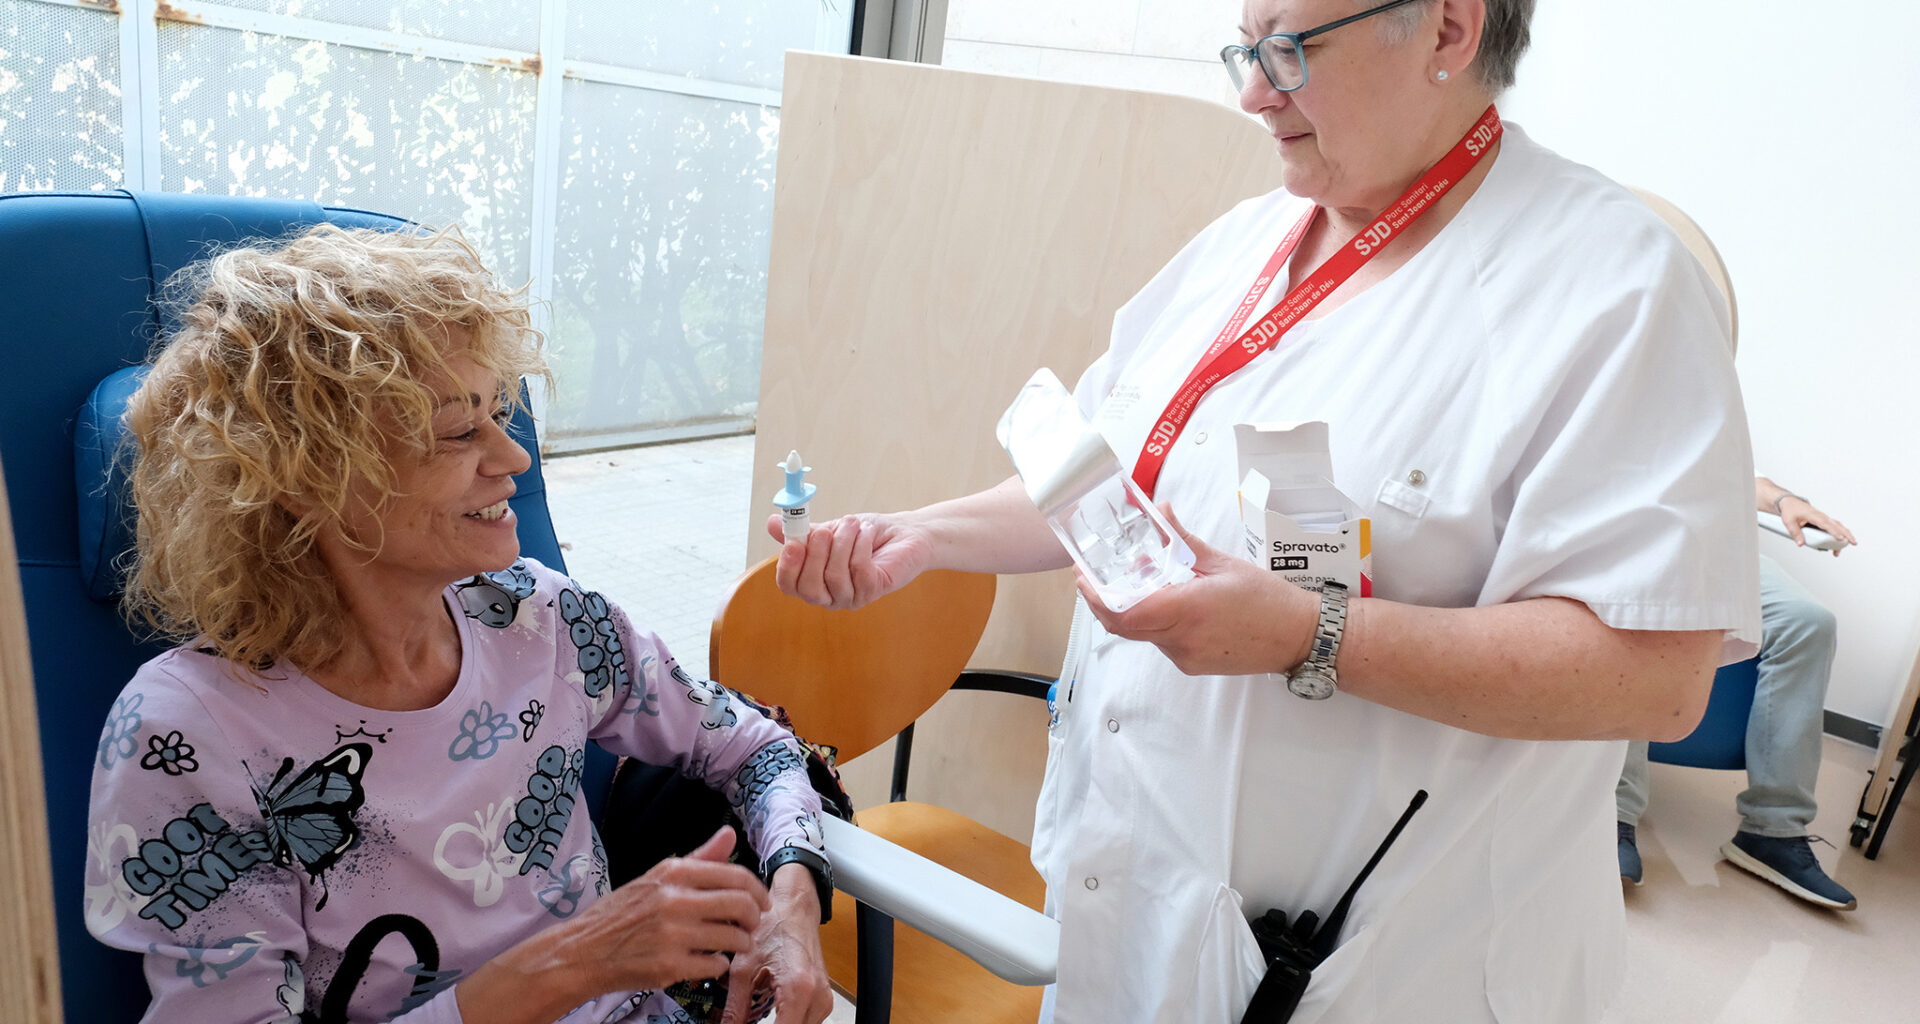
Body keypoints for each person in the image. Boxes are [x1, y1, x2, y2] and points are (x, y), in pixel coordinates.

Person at [770, 1, 1761, 1021]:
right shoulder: (1241, 249)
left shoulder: (1616, 287)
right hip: (1132, 918)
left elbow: (1659, 677)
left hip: (1392, 963)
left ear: (1448, 32)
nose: (1251, 91)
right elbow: (1108, 475)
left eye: (1289, 48)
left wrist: (1307, 633)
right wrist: (928, 535)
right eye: (1246, 48)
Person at [83, 225, 835, 1024]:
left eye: (497, 414)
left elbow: (758, 747)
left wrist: (793, 894)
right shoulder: (192, 736)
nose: (514, 460)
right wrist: (575, 962)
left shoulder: (540, 618)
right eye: (458, 430)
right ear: (304, 479)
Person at [1616, 477, 1860, 910]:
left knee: (1809, 622)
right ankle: (1612, 814)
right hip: (1631, 539)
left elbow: (1738, 473)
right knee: (1645, 598)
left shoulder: (1695, 412)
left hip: (1712, 547)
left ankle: (1773, 832)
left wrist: (1786, 501)